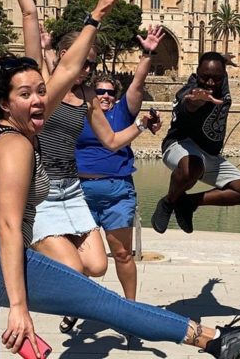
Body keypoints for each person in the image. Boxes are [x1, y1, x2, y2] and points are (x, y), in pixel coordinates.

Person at [0, 50, 240, 359]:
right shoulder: (15, 145)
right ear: (5, 104)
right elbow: (8, 225)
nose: (40, 99)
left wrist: (96, 14)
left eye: (42, 91)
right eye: (25, 94)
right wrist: (19, 305)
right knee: (104, 303)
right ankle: (213, 340)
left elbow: (66, 68)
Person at [0, 0, 164, 334]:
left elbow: (111, 140)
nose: (86, 69)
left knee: (97, 265)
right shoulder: (44, 91)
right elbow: (30, 14)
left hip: (71, 190)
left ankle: (45, 263)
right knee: (72, 270)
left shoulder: (86, 98)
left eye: (90, 64)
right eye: (82, 61)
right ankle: (29, 255)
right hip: (44, 191)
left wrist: (140, 124)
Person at [75, 24, 166, 303]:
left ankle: (130, 307)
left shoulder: (123, 113)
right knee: (84, 258)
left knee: (123, 253)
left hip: (117, 192)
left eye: (110, 93)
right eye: (99, 91)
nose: (104, 96)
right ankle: (76, 305)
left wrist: (147, 53)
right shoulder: (80, 111)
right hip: (80, 193)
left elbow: (137, 84)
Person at [151, 51, 240, 235]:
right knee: (193, 166)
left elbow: (215, 67)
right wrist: (197, 101)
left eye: (216, 77)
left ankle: (189, 203)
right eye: (205, 77)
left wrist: (224, 59)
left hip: (210, 155)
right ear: (197, 72)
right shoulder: (190, 92)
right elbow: (187, 105)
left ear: (223, 74)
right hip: (179, 146)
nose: (210, 83)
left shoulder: (222, 83)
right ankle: (168, 202)